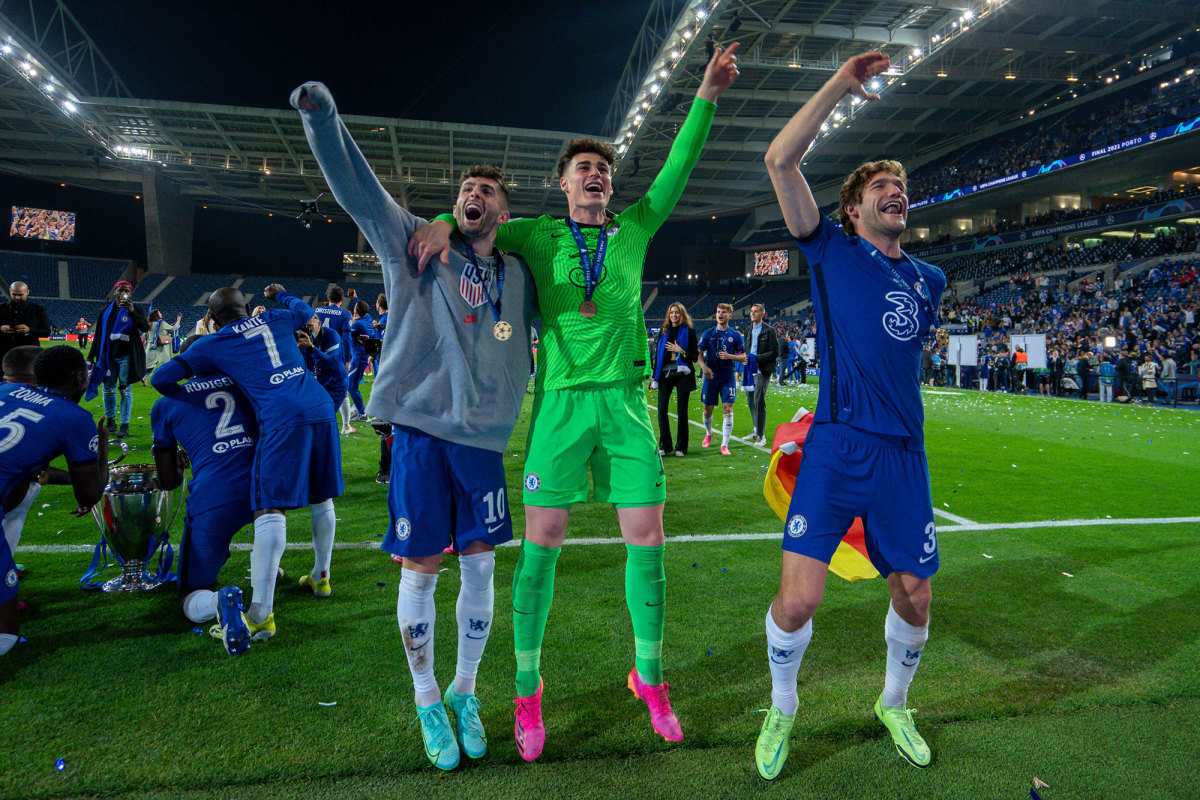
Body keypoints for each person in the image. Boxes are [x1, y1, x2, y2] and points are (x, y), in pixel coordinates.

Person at [406, 42, 740, 760]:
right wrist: (436, 218)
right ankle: (526, 692)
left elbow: (678, 167)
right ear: (562, 184)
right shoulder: (537, 234)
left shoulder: (635, 228)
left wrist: (706, 93)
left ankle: (649, 678)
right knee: (543, 547)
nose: (597, 175)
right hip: (557, 404)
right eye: (585, 168)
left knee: (646, 540)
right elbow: (476, 222)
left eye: (605, 170)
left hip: (623, 404)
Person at [293, 80, 537, 771]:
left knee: (484, 570)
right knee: (423, 570)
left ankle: (465, 693)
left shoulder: (520, 275)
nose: (474, 194)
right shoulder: (414, 245)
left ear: (504, 211)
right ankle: (427, 697)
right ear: (454, 203)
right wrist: (323, 120)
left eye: (487, 189)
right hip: (423, 436)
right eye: (465, 188)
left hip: (483, 444)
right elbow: (357, 189)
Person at [758, 51, 947, 779]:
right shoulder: (829, 251)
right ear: (852, 208)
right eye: (880, 187)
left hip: (903, 455)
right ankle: (783, 704)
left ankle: (894, 702)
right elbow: (780, 160)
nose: (896, 194)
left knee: (916, 592)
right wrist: (840, 84)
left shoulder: (930, 279)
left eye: (901, 188)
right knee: (799, 600)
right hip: (838, 448)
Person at [151, 284, 343, 645]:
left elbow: (161, 379)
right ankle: (321, 577)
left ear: (210, 318)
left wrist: (191, 393)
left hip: (280, 416)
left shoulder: (211, 343)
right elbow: (304, 310)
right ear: (248, 306)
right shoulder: (278, 317)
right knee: (322, 498)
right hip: (318, 405)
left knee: (269, 508)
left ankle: (261, 615)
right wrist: (280, 294)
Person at [150, 337, 257, 655]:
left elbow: (168, 482)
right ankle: (269, 574)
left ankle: (216, 602)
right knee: (268, 526)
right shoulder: (247, 383)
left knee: (190, 595)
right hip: (268, 484)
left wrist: (184, 461)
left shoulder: (166, 402)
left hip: (216, 496)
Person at [0, 346, 108, 656]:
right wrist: (102, 450)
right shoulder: (74, 417)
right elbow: (89, 494)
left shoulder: (6, 389)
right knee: (6, 635)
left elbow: (35, 468)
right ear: (78, 378)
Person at [87, 281, 149, 438]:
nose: (123, 293)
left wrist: (132, 311)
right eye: (120, 290)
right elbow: (99, 335)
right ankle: (111, 423)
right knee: (108, 389)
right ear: (114, 292)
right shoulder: (105, 311)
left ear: (130, 293)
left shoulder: (137, 309)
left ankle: (125, 425)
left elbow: (145, 328)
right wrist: (91, 355)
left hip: (127, 356)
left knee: (125, 391)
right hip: (107, 356)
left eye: (126, 290)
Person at [651, 302, 699, 456]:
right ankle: (665, 445)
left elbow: (694, 356)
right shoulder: (663, 332)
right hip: (665, 374)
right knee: (662, 410)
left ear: (682, 314)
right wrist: (654, 378)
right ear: (668, 315)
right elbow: (658, 355)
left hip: (683, 374)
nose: (674, 315)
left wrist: (681, 351)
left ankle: (681, 446)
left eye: (677, 312)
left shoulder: (689, 332)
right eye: (671, 312)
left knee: (682, 411)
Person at [699, 303, 746, 456]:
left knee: (728, 410)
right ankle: (708, 433)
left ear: (729, 316)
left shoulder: (736, 335)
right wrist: (704, 368)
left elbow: (743, 357)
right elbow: (698, 354)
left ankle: (724, 445)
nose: (720, 314)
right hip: (711, 376)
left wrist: (730, 356)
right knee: (707, 411)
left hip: (728, 376)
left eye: (724, 312)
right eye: (718, 312)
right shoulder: (708, 333)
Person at [314, 286, 354, 432]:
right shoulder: (344, 315)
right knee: (342, 390)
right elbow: (347, 338)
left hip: (317, 356)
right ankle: (345, 425)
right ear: (343, 300)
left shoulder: (317, 311)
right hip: (335, 357)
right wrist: (347, 359)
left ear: (328, 298)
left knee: (319, 388)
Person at [743, 304, 779, 446]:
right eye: (751, 311)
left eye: (755, 311)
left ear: (762, 314)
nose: (752, 314)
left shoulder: (770, 331)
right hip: (749, 369)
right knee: (750, 399)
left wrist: (757, 358)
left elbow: (774, 352)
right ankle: (756, 429)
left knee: (758, 400)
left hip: (762, 369)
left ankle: (761, 435)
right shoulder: (747, 330)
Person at [0, 282, 51, 380]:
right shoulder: (1, 308)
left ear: (27, 292)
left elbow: (46, 332)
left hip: (28, 355)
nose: (17, 297)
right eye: (14, 294)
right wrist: (1, 328)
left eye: (20, 295)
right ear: (10, 291)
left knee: (27, 382)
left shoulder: (38, 310)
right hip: (3, 354)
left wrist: (29, 330)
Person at [347, 300, 375, 419]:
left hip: (359, 358)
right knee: (353, 384)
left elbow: (346, 335)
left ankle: (362, 413)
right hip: (362, 356)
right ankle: (358, 408)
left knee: (351, 385)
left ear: (356, 310)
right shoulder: (367, 318)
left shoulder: (356, 325)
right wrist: (356, 299)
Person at [144, 310, 183, 376]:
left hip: (151, 345)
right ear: (157, 315)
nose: (161, 313)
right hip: (162, 345)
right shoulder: (162, 323)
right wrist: (178, 321)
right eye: (159, 313)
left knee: (150, 363)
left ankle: (145, 376)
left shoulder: (149, 323)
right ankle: (162, 376)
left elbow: (145, 335)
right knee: (165, 363)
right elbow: (173, 328)